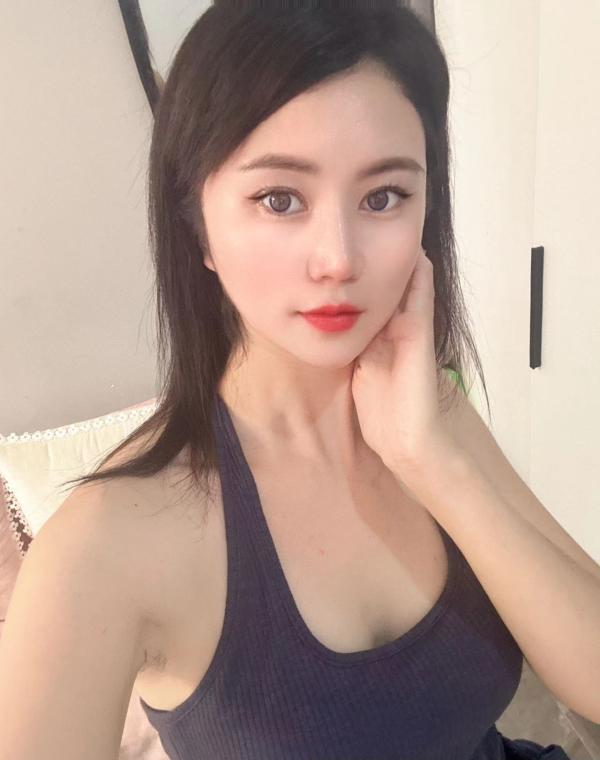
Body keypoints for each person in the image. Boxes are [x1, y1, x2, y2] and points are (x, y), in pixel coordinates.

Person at [0, 1, 575, 758]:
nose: (338, 258)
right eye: (280, 200)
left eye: (383, 197)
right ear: (199, 230)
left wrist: (433, 462)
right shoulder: (101, 547)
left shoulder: (432, 411)